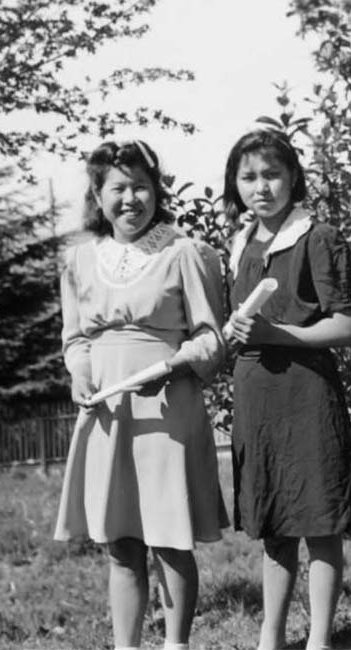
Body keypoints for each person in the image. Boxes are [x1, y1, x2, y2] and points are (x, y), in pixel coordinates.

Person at [53, 140, 228, 650]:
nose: (131, 199)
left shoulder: (184, 252)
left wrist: (173, 364)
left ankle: (176, 645)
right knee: (121, 543)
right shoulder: (80, 261)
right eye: (118, 188)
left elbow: (211, 338)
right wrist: (80, 373)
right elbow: (75, 339)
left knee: (169, 540)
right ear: (97, 195)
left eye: (141, 187)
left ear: (157, 190)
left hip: (167, 410)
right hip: (108, 413)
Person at [223, 125, 351, 650]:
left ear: (292, 178)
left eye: (271, 174)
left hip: (306, 393)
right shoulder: (240, 243)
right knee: (275, 527)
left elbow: (348, 327)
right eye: (248, 177)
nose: (261, 187)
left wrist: (275, 333)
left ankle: (321, 639)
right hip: (257, 396)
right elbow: (236, 323)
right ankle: (271, 638)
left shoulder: (318, 237)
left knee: (320, 522)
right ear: (235, 184)